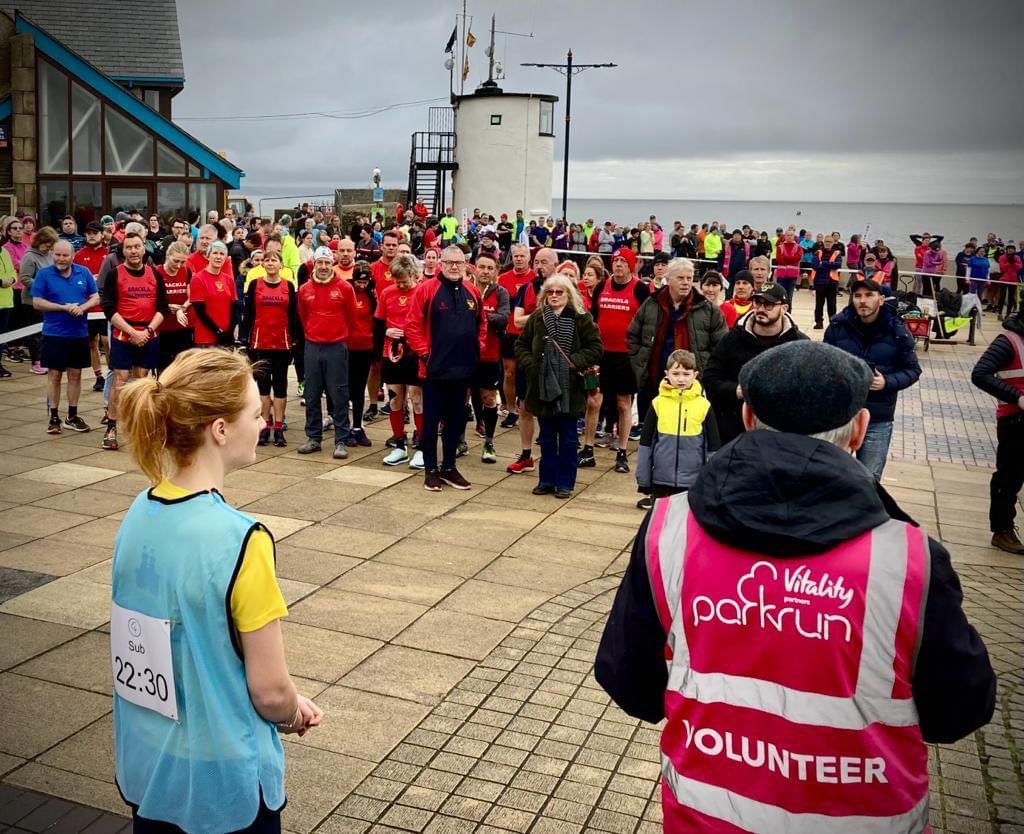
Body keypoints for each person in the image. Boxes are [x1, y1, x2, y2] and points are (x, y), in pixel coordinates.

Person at [596, 339, 995, 834]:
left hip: (704, 816)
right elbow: (959, 711)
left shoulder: (668, 528)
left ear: (747, 418)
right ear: (859, 430)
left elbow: (631, 684)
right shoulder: (909, 560)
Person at [112, 348, 322, 833]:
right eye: (254, 412)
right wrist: (293, 712)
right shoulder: (242, 540)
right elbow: (270, 691)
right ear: (220, 430)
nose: (262, 421)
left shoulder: (138, 513)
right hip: (225, 782)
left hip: (152, 766)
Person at [628, 258, 727, 465]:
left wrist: (705, 369)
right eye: (680, 278)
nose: (686, 282)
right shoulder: (652, 303)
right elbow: (633, 335)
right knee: (654, 432)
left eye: (689, 278)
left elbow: (722, 346)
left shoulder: (707, 309)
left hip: (691, 383)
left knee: (688, 432)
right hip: (655, 379)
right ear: (669, 279)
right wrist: (639, 364)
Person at [405, 245, 487, 491]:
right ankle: (431, 470)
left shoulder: (472, 291)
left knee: (455, 421)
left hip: (462, 370)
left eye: (458, 263)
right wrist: (425, 354)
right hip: (434, 370)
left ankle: (449, 467)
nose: (454, 267)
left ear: (465, 265)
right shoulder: (426, 290)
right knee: (430, 423)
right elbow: (412, 325)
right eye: (449, 262)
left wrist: (477, 349)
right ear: (441, 264)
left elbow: (482, 325)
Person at [824, 278, 921, 481]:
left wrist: (887, 382)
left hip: (878, 418)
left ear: (881, 299)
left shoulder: (897, 331)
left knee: (869, 480)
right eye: (857, 296)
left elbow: (912, 370)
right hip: (840, 415)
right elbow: (823, 364)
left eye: (869, 295)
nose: (862, 300)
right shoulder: (838, 326)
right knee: (829, 476)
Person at [515, 274, 603, 498]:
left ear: (568, 294)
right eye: (550, 292)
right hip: (542, 386)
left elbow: (595, 348)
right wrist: (531, 366)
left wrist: (573, 362)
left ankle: (565, 483)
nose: (554, 296)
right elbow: (521, 345)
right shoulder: (538, 318)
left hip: (570, 388)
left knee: (568, 439)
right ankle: (546, 480)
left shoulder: (582, 318)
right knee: (546, 438)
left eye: (559, 292)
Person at [703, 282, 808, 445]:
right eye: (757, 303)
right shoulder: (733, 339)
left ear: (784, 308)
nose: (761, 309)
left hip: (782, 435)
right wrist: (736, 390)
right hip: (734, 433)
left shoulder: (799, 343)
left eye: (769, 304)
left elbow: (810, 388)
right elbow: (711, 377)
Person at [101, 232, 168, 451]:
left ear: (143, 248)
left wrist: (147, 331)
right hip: (124, 333)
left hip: (149, 333)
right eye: (129, 247)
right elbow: (108, 308)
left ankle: (141, 427)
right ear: (123, 251)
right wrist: (131, 332)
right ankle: (111, 427)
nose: (133, 251)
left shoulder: (154, 274)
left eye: (137, 246)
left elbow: (163, 307)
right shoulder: (114, 274)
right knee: (120, 381)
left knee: (142, 381)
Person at [635, 349, 720, 511]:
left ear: (695, 375)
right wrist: (644, 479)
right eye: (676, 373)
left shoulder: (703, 406)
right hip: (661, 479)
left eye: (686, 374)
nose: (681, 379)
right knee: (661, 521)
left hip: (693, 480)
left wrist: (712, 482)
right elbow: (646, 444)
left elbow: (713, 447)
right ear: (667, 374)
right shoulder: (658, 404)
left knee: (685, 521)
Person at [30, 240, 99, 433]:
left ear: (73, 256)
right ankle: (54, 417)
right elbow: (37, 302)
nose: (60, 259)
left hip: (78, 333)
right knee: (54, 375)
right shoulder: (44, 274)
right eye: (57, 255)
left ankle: (72, 415)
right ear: (53, 254)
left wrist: (82, 307)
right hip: (54, 333)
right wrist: (62, 308)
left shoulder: (83, 272)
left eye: (65, 255)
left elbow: (95, 297)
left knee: (76, 374)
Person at [970, 307, 1024, 554]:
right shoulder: (1009, 341)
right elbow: (980, 374)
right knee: (1009, 477)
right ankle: (1002, 530)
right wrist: (1017, 397)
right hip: (1016, 421)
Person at [592, 248, 650, 472]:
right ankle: (587, 448)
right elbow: (594, 317)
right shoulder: (602, 287)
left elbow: (647, 321)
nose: (618, 265)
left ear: (631, 265)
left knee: (623, 403)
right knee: (594, 400)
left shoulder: (640, 288)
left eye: (623, 261)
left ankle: (623, 451)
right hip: (602, 353)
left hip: (626, 355)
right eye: (615, 260)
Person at [297, 247, 358, 459]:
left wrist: (338, 335)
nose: (323, 267)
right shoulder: (304, 289)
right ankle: (314, 437)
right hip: (312, 346)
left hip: (336, 347)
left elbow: (352, 317)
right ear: (314, 264)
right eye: (319, 262)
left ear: (332, 264)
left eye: (327, 263)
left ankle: (341, 440)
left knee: (339, 394)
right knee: (312, 394)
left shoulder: (344, 288)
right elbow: (303, 316)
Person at [506, 248, 559, 475]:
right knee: (525, 406)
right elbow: (517, 321)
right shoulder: (527, 289)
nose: (539, 266)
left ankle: (552, 457)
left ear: (555, 264)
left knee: (552, 409)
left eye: (544, 262)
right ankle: (526, 455)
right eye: (536, 261)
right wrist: (543, 313)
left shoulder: (564, 289)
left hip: (556, 358)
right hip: (529, 356)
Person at [242, 250, 299, 449]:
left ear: (281, 264)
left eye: (274, 260)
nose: (270, 263)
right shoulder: (255, 284)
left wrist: (295, 340)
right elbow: (248, 313)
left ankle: (279, 427)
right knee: (263, 386)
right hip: (260, 342)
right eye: (267, 260)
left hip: (282, 343)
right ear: (263, 264)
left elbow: (293, 315)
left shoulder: (288, 286)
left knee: (281, 385)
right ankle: (265, 425)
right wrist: (244, 339)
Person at [376, 255, 425, 468]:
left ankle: (422, 447)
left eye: (404, 281)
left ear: (413, 275)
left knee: (417, 399)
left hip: (415, 354)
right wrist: (387, 331)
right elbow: (378, 323)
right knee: (395, 399)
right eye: (397, 281)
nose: (401, 285)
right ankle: (399, 445)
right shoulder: (387, 293)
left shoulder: (422, 292)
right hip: (392, 353)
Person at [471, 251, 510, 464]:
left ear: (496, 271)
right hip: (464, 354)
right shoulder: (465, 289)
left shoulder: (501, 293)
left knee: (489, 398)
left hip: (490, 355)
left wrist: (479, 315)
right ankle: (459, 440)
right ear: (474, 268)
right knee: (462, 397)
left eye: (490, 268)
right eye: (482, 267)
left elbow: (503, 318)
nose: (485, 271)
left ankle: (489, 442)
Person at [498, 244, 535, 428]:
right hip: (509, 332)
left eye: (522, 256)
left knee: (527, 374)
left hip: (528, 333)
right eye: (516, 256)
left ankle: (527, 408)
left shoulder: (535, 278)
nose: (519, 259)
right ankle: (511, 409)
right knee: (509, 372)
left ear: (529, 258)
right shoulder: (503, 278)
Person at [346, 261, 376, 448]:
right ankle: (344, 426)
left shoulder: (371, 295)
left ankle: (357, 426)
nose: (362, 285)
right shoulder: (347, 292)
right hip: (347, 346)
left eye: (365, 282)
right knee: (346, 388)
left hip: (366, 346)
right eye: (359, 282)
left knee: (359, 388)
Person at [190, 241, 236, 348]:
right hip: (205, 337)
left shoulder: (229, 280)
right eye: (215, 253)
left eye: (222, 254)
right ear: (208, 256)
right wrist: (218, 331)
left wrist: (229, 332)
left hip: (226, 337)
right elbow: (200, 311)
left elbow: (234, 308)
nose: (218, 257)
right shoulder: (198, 278)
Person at [811, 241, 844, 329]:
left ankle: (832, 323)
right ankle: (819, 322)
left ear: (832, 243)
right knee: (819, 305)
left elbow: (838, 265)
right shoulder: (818, 252)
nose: (828, 243)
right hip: (819, 282)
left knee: (832, 305)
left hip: (832, 282)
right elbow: (814, 265)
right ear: (823, 242)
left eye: (829, 242)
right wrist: (829, 266)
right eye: (826, 241)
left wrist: (823, 263)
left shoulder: (837, 253)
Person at [773, 227, 803, 307]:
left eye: (791, 235)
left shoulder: (798, 247)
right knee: (780, 296)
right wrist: (792, 258)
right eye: (787, 235)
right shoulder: (780, 247)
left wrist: (785, 257)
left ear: (794, 236)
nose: (789, 237)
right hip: (781, 276)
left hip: (792, 276)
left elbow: (797, 259)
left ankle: (788, 313)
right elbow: (779, 260)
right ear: (785, 236)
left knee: (789, 297)